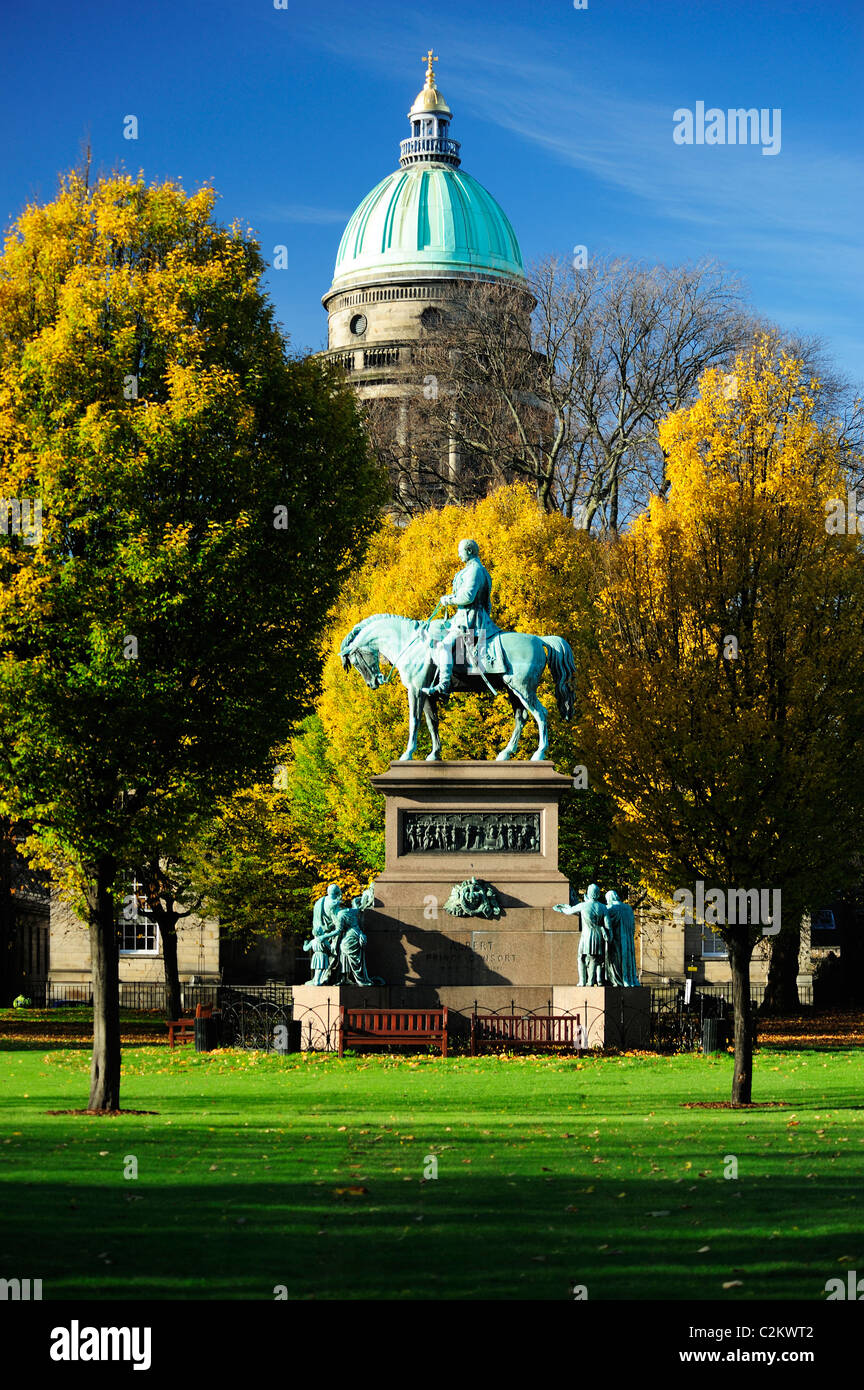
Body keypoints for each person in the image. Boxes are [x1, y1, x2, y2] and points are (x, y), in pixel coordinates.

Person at [422, 538, 502, 697]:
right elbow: (488, 603)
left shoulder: (475, 570)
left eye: (461, 552)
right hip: (468, 617)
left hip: (469, 620)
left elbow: (467, 596)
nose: (459, 555)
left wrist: (448, 599)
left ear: (469, 551)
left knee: (443, 645)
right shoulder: (479, 570)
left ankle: (443, 685)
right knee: (435, 628)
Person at [553, 884, 611, 986]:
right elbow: (608, 925)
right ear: (598, 894)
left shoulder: (584, 905)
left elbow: (569, 911)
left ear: (589, 893)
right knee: (594, 958)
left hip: (586, 935)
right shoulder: (603, 907)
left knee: (581, 957)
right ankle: (590, 981)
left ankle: (584, 981)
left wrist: (561, 908)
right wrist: (608, 935)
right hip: (598, 936)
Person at [606, 890, 640, 986]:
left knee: (616, 960)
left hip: (617, 939)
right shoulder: (628, 908)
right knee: (628, 959)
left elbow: (606, 923)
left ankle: (619, 980)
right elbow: (633, 926)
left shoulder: (611, 908)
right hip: (628, 940)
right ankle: (630, 979)